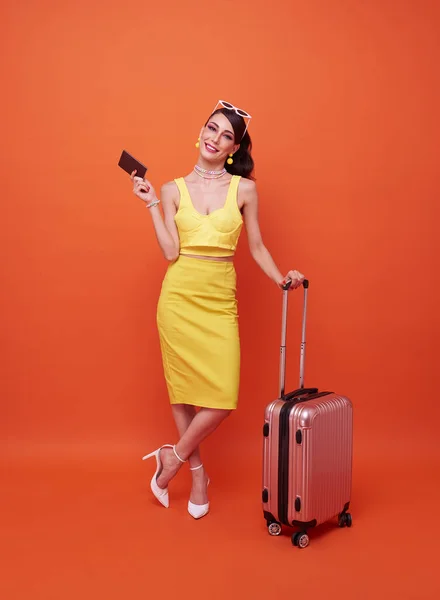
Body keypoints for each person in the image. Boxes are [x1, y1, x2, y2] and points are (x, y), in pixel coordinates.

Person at [130, 100, 305, 519]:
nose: (215, 138)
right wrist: (152, 202)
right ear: (200, 131)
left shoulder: (243, 189)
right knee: (183, 389)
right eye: (211, 128)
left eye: (226, 135)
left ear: (233, 148)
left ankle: (169, 459)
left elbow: (257, 246)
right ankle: (198, 474)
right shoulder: (172, 189)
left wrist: (280, 278)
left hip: (218, 299)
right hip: (178, 299)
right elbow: (172, 250)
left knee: (222, 399)